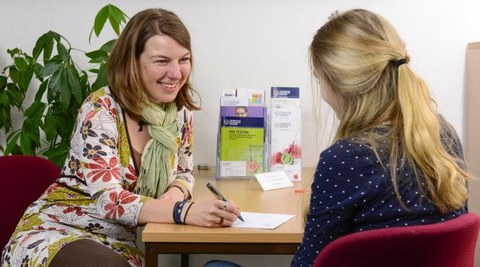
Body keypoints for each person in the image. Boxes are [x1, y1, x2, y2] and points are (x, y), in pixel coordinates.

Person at [1, 8, 241, 267]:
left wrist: (175, 192)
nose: (176, 73)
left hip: (118, 244)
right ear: (132, 62)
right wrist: (184, 211)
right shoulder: (101, 109)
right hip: (58, 233)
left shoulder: (179, 113)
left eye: (184, 59)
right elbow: (108, 201)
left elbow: (184, 171)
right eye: (162, 61)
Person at [292, 9, 472, 266]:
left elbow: (308, 263)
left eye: (320, 80)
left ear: (340, 86)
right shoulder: (443, 135)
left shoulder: (345, 159)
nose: (322, 91)